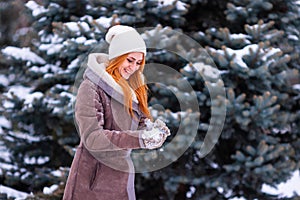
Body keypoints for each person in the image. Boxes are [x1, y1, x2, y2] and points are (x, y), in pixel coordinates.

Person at [63, 25, 171, 200]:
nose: (134, 67)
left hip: (120, 178)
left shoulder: (131, 90)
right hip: (91, 181)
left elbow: (136, 124)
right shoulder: (91, 88)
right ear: (117, 57)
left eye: (138, 63)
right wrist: (140, 139)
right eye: (130, 60)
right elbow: (92, 138)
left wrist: (151, 131)